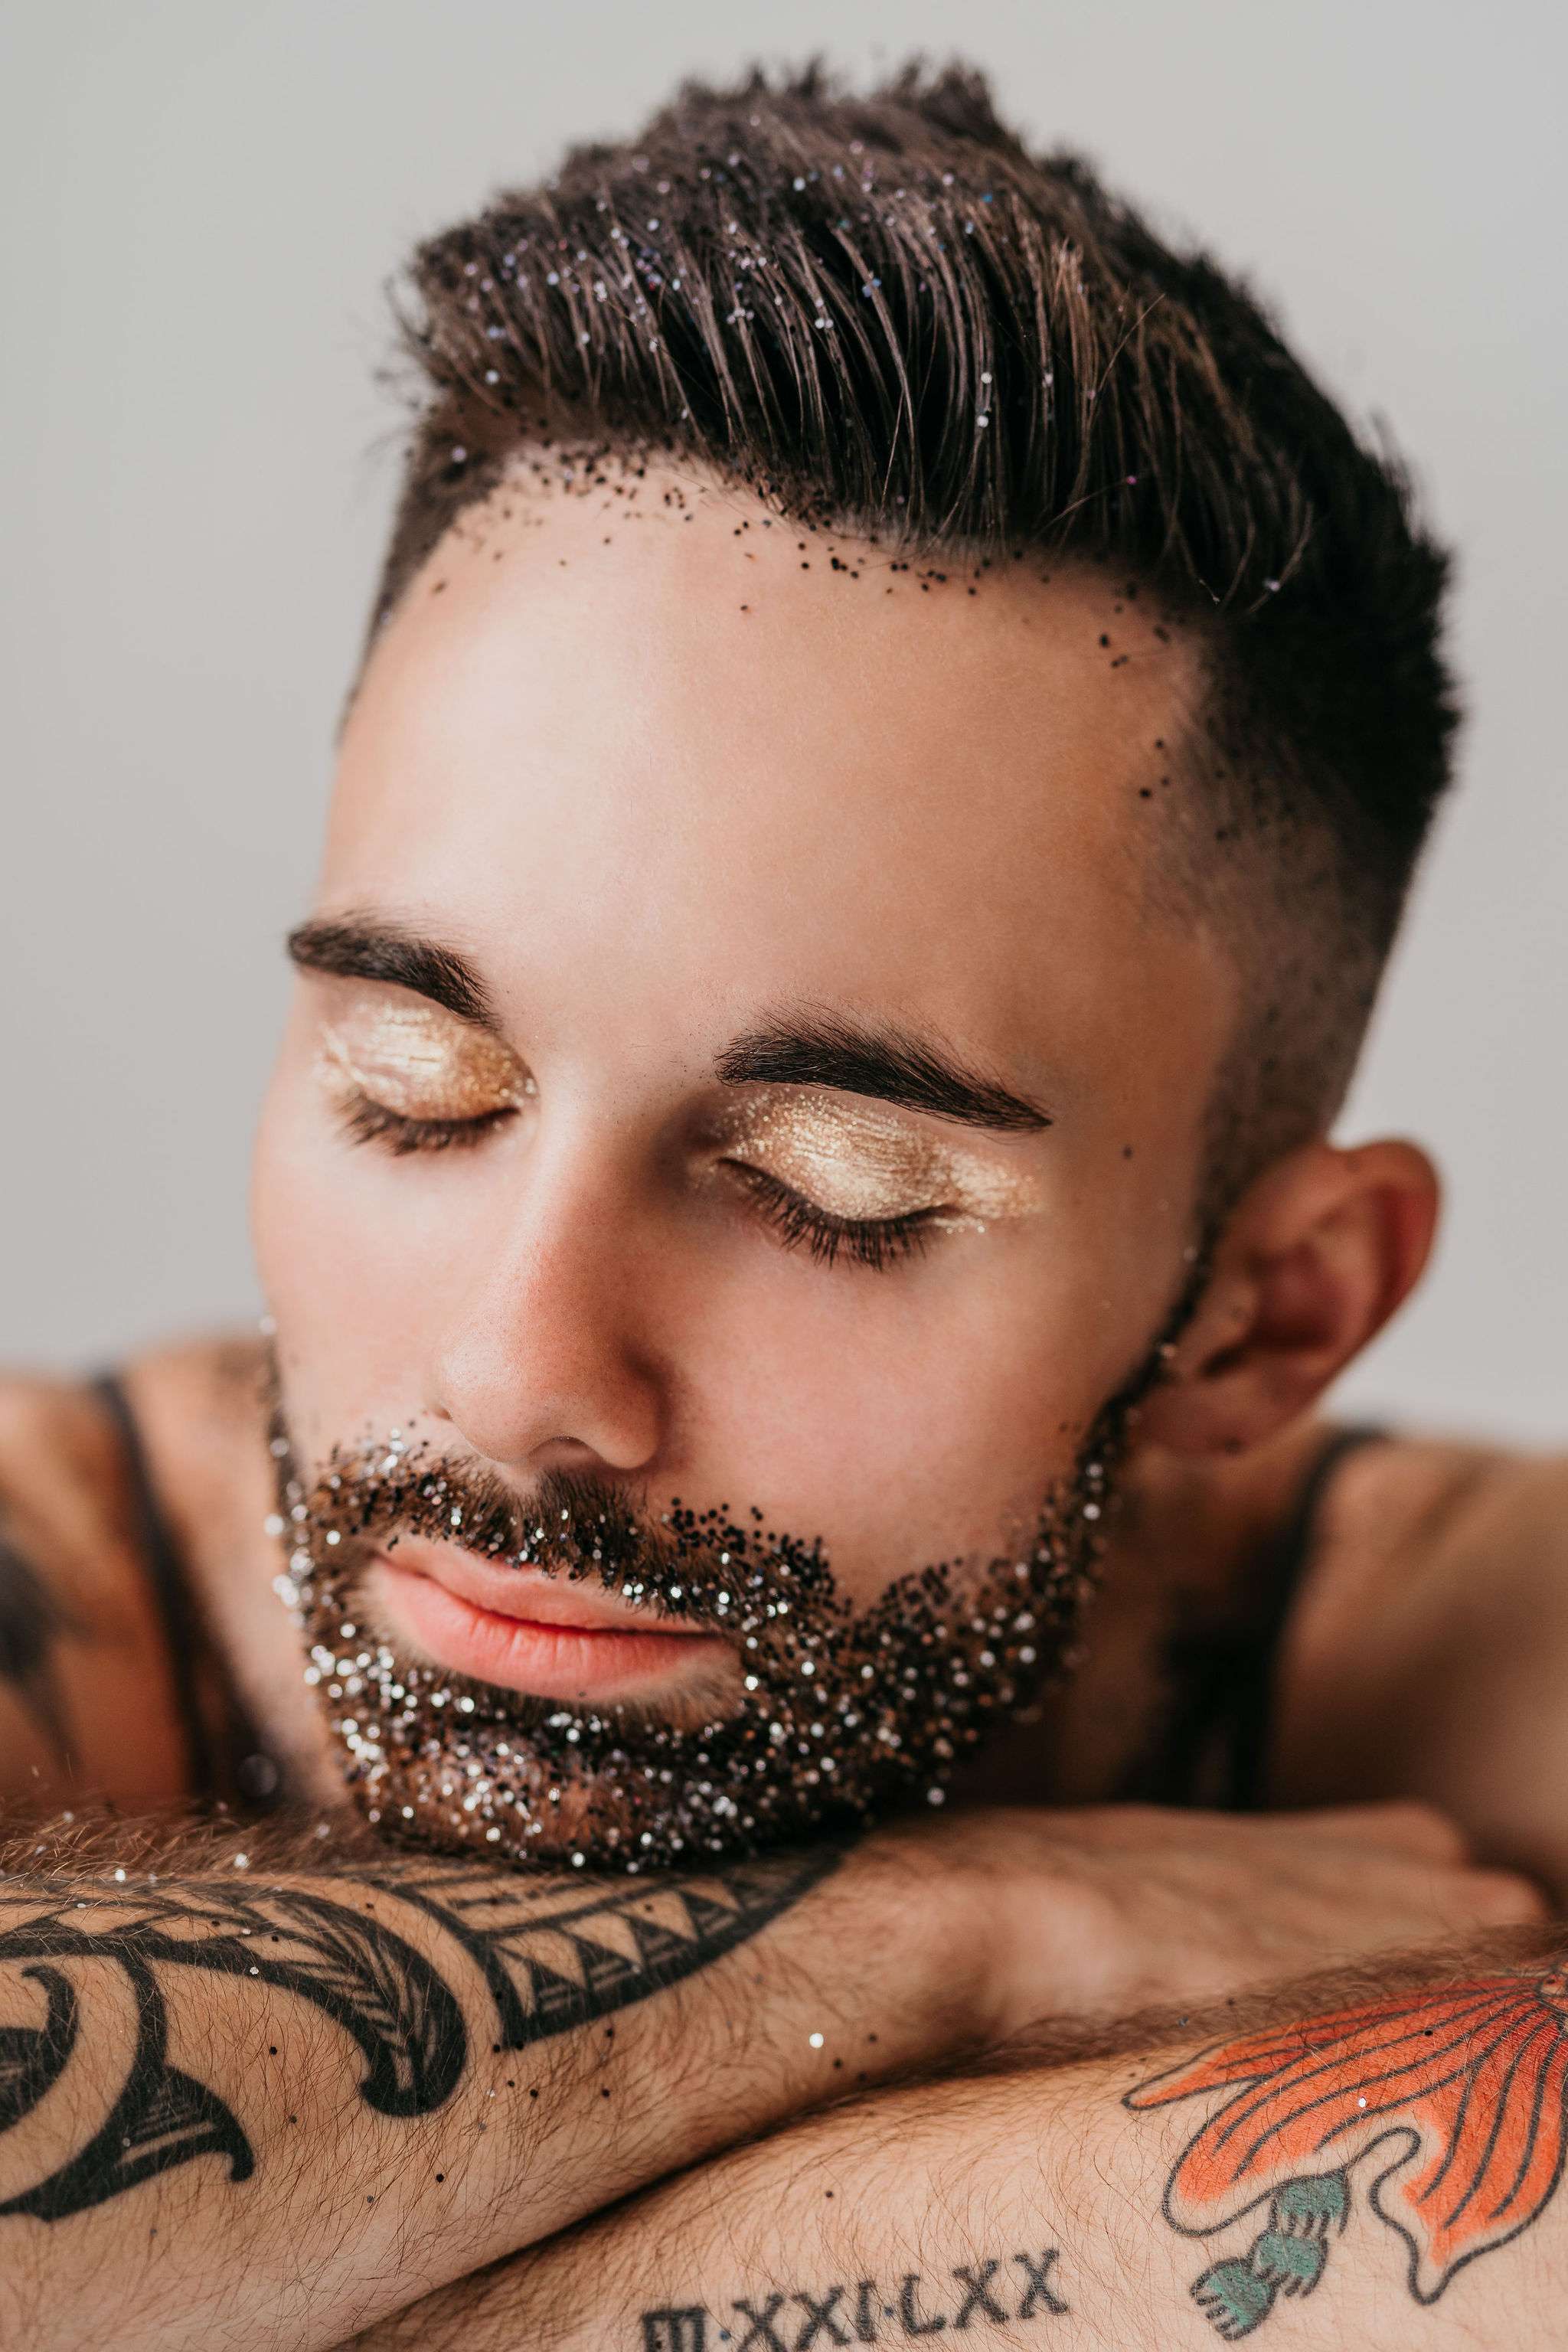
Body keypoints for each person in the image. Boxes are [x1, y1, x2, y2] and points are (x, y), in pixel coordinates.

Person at [0, 57, 1563, 2352]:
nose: (519, 1369)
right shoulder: (66, 1559)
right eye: (415, 1091)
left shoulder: (1459, 1657)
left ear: (1270, 1316)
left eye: (836, 1191)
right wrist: (960, 1939)